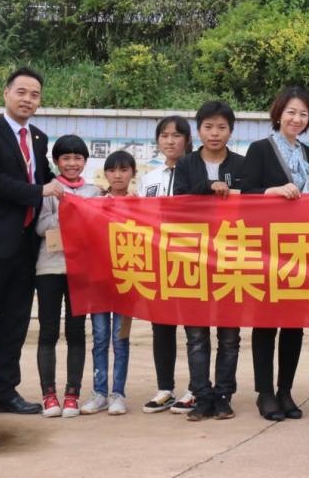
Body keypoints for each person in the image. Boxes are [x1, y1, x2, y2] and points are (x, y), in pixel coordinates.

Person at [0, 67, 64, 423]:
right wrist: (40, 191)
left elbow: (46, 178)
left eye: (35, 95)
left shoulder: (38, 138)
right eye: (21, 92)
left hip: (25, 246)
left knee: (15, 323)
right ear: (6, 93)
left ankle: (5, 393)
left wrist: (82, 191)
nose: (28, 100)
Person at [239, 86, 309, 422]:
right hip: (267, 247)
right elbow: (245, 194)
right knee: (266, 322)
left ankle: (286, 390)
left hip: (300, 247)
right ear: (278, 114)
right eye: (291, 112)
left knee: (294, 324)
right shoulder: (260, 149)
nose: (296, 119)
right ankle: (265, 393)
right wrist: (271, 191)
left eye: (303, 114)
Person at [173, 100, 245, 422]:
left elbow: (254, 206)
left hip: (232, 260)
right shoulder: (186, 165)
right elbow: (179, 203)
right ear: (198, 130)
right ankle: (201, 396)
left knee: (229, 337)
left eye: (221, 127)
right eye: (208, 127)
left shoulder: (242, 165)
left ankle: (223, 395)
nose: (215, 133)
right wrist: (208, 187)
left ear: (231, 131)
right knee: (196, 336)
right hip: (194, 259)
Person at [34, 135, 102, 419]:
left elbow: (99, 226)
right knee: (48, 332)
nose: (72, 163)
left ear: (85, 161)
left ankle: (72, 394)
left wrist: (84, 210)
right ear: (56, 161)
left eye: (77, 158)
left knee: (76, 333)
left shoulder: (95, 191)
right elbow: (40, 227)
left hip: (81, 270)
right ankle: (49, 395)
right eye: (66, 158)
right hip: (49, 268)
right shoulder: (49, 189)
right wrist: (66, 209)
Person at [138, 116, 194, 415]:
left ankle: (196, 388)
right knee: (161, 325)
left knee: (194, 327)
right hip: (158, 261)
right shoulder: (150, 178)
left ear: (187, 139)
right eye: (164, 135)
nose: (170, 141)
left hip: (191, 260)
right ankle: (165, 389)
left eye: (176, 135)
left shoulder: (196, 173)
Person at [81, 151, 137, 416]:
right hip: (99, 281)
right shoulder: (95, 203)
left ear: (133, 173)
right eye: (112, 170)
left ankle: (118, 394)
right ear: (105, 173)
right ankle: (99, 392)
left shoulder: (140, 204)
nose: (118, 175)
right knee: (100, 337)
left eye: (124, 170)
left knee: (120, 339)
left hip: (128, 282)